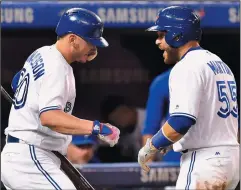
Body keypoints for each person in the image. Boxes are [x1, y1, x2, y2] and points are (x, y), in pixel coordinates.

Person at [1, 8, 120, 190]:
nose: (93, 49)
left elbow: (17, 83)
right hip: (31, 156)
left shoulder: (41, 53)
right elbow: (50, 118)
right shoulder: (57, 66)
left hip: (21, 155)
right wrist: (98, 128)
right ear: (73, 39)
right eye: (90, 42)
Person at [138, 6, 239, 190]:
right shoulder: (219, 63)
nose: (157, 42)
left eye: (161, 35)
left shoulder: (186, 66)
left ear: (176, 36)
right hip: (230, 159)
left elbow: (181, 120)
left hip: (204, 161)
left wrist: (150, 147)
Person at [142, 68, 181, 162]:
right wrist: (147, 167)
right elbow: (150, 130)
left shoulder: (214, 77)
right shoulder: (163, 81)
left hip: (210, 159)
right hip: (175, 162)